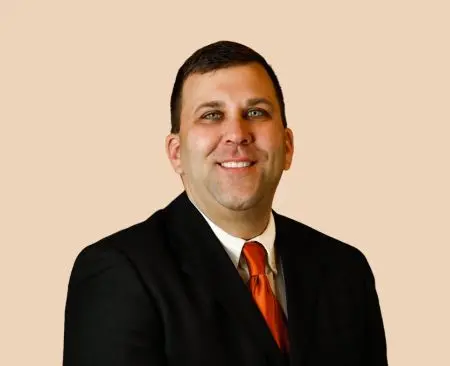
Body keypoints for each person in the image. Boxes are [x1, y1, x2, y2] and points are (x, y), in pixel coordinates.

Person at [63, 40, 388, 366]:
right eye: (212, 115)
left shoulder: (346, 271)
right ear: (177, 153)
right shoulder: (119, 273)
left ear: (287, 146)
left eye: (256, 112)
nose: (237, 133)